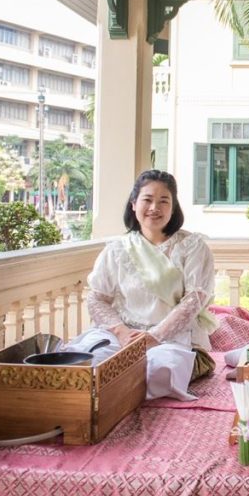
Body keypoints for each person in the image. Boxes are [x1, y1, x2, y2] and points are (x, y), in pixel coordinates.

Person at [78, 170, 217, 401]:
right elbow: (97, 297)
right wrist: (121, 332)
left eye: (164, 201)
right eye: (148, 199)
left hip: (173, 337)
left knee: (158, 371)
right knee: (88, 361)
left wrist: (153, 337)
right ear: (133, 204)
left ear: (173, 208)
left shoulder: (192, 246)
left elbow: (194, 300)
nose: (155, 207)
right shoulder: (116, 249)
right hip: (124, 334)